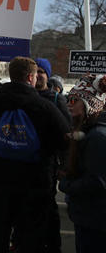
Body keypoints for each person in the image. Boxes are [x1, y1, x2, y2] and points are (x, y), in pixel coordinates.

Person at [0, 56, 70, 253]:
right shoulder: (45, 107)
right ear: (31, 78)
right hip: (34, 181)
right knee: (30, 233)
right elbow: (64, 138)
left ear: (11, 75)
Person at [60, 74, 106, 253]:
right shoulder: (90, 132)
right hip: (90, 217)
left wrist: (66, 184)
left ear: (90, 105)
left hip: (96, 221)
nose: (69, 103)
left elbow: (98, 182)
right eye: (69, 98)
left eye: (75, 100)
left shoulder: (98, 137)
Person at [33, 58, 72, 253]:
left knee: (48, 206)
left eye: (41, 71)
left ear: (47, 76)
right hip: (26, 162)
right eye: (35, 71)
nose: (38, 74)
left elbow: (68, 135)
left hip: (47, 163)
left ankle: (53, 245)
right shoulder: (25, 96)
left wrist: (64, 165)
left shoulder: (56, 99)